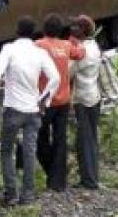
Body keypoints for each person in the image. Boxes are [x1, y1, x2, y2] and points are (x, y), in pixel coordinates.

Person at [0, 16, 60, 207]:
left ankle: (11, 194)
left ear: (17, 32)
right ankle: (28, 194)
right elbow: (55, 78)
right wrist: (45, 99)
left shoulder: (9, 50)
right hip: (34, 110)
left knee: (6, 151)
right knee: (30, 151)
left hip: (13, 109)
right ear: (32, 33)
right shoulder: (40, 53)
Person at [34, 13, 85, 192]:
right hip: (64, 100)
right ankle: (58, 181)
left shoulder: (39, 45)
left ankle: (51, 171)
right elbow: (80, 53)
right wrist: (74, 40)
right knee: (60, 139)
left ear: (44, 29)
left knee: (40, 138)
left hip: (45, 101)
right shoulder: (66, 45)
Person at [69, 15, 102, 190]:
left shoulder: (82, 52)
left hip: (83, 99)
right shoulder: (94, 46)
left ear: (82, 31)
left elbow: (68, 72)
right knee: (91, 139)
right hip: (94, 96)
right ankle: (91, 176)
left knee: (85, 140)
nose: (72, 29)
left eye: (76, 27)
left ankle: (89, 180)